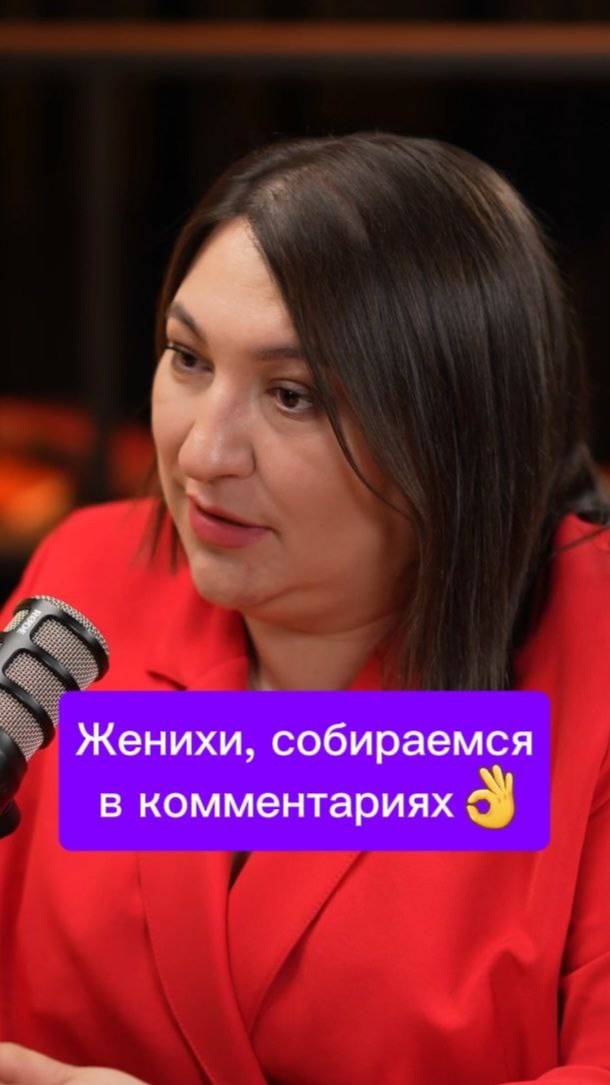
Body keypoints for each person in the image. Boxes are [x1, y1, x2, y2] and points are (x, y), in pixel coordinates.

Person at [0, 131, 609, 1085]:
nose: (202, 454)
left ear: (455, 432)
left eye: (293, 397)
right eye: (187, 358)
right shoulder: (93, 581)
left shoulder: (589, 647)